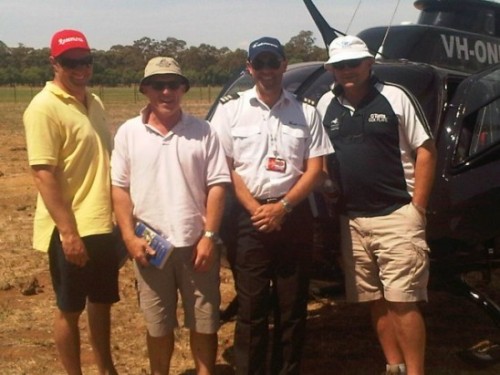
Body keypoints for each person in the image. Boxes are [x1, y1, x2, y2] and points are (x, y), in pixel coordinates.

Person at [210, 36, 334, 375]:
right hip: (248, 220)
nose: (267, 70)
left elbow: (316, 169)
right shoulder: (230, 111)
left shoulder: (305, 112)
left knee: (292, 307)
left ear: (284, 65)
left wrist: (283, 207)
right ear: (250, 68)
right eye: (260, 63)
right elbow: (225, 166)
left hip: (293, 217)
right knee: (251, 308)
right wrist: (255, 209)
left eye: (273, 62)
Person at [316, 35, 437, 375]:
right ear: (332, 70)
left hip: (397, 214)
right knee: (374, 300)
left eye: (353, 63)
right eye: (339, 65)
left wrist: (418, 208)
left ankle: (415, 371)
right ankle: (393, 365)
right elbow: (322, 156)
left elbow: (425, 151)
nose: (347, 70)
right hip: (352, 220)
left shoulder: (395, 97)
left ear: (369, 64)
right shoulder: (325, 105)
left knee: (402, 301)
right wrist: (326, 184)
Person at [111, 56, 231, 375]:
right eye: (158, 85)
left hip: (197, 246)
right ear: (146, 90)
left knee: (205, 323)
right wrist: (128, 238)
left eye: (174, 85)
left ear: (183, 89)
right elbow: (119, 189)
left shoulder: (203, 131)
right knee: (158, 326)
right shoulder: (128, 133)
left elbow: (218, 186)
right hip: (151, 249)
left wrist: (209, 237)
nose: (167, 92)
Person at [23, 29, 119, 375]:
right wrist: (68, 233)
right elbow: (43, 174)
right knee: (70, 308)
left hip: (102, 223)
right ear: (54, 63)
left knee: (102, 302)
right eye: (70, 62)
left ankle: (106, 368)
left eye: (85, 61)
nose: (80, 68)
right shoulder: (44, 108)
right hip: (71, 229)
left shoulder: (95, 103)